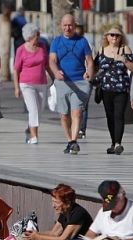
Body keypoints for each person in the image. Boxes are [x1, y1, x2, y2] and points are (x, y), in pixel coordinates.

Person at [49, 14, 93, 155]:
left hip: (80, 82)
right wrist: (55, 72)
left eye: (70, 25)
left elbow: (90, 61)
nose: (67, 28)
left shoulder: (82, 41)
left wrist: (89, 73)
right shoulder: (56, 41)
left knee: (77, 112)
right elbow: (52, 60)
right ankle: (69, 140)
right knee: (64, 115)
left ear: (74, 26)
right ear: (61, 26)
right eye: (65, 25)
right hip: (62, 82)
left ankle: (74, 141)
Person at [94, 27, 133, 155]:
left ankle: (118, 143)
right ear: (107, 37)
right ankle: (113, 143)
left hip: (121, 89)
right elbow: (95, 67)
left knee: (118, 115)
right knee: (110, 116)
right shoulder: (101, 51)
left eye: (117, 36)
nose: (114, 38)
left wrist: (124, 60)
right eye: (112, 35)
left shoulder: (125, 49)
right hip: (106, 89)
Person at [13, 23, 49, 145]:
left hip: (42, 83)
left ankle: (29, 130)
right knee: (33, 110)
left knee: (39, 110)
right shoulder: (21, 50)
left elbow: (47, 64)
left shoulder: (43, 47)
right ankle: (34, 137)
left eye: (38, 33)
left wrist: (55, 78)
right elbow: (16, 69)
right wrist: (17, 87)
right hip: (26, 84)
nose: (39, 36)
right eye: (36, 34)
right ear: (30, 36)